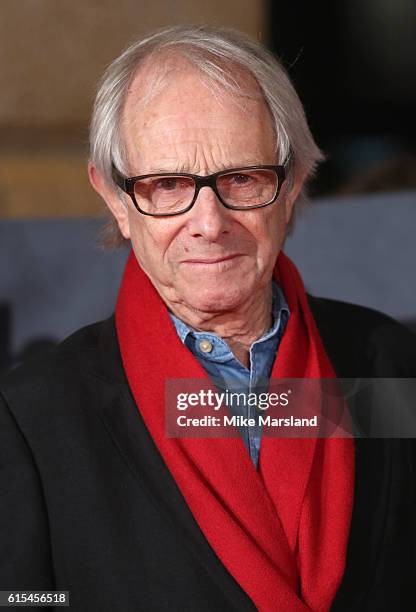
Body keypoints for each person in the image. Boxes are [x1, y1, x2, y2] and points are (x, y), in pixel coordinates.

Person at [1, 25, 415, 612]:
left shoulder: (387, 360)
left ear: (293, 181)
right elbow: (21, 599)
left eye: (241, 179)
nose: (209, 223)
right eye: (167, 185)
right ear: (117, 199)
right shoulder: (32, 416)